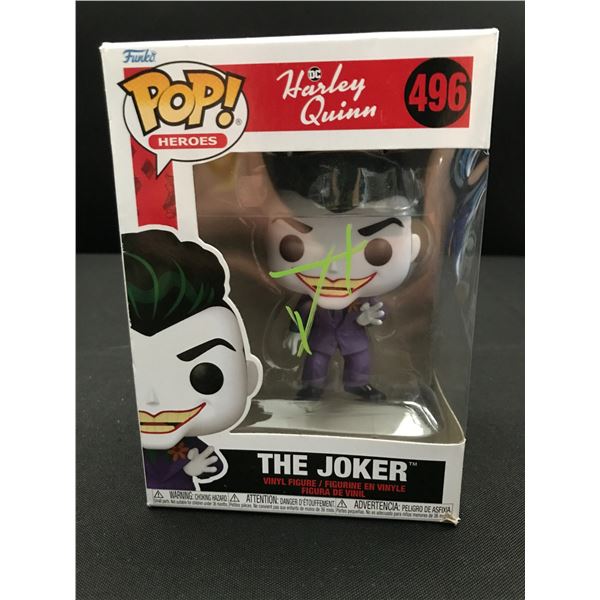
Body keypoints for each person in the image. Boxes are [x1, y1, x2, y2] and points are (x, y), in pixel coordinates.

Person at [264, 152, 421, 401]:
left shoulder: (365, 299)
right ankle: (312, 386)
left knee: (360, 359)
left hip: (353, 338)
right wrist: (295, 331)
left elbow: (377, 313)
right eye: (294, 246)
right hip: (320, 338)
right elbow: (302, 312)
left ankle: (358, 384)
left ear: (413, 249)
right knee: (315, 361)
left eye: (376, 251)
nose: (334, 267)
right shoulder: (310, 301)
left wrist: (367, 318)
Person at [123, 229, 262, 490]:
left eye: (205, 375)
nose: (152, 399)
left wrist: (192, 468)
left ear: (249, 377)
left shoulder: (188, 443)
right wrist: (187, 469)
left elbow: (215, 465)